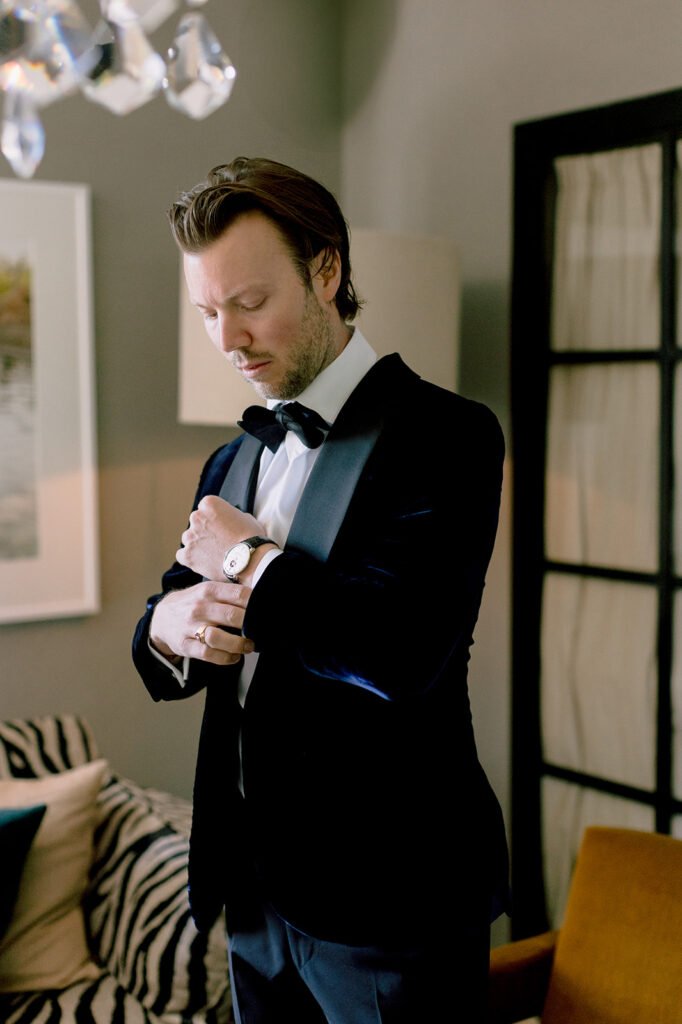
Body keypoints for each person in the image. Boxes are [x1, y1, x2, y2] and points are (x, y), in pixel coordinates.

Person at [132, 156, 510, 1024]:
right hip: (253, 893)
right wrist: (169, 624)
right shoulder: (231, 460)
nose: (229, 340)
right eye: (208, 312)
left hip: (393, 904)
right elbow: (164, 639)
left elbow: (401, 653)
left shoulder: (446, 435)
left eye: (250, 302)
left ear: (327, 270)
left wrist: (243, 561)